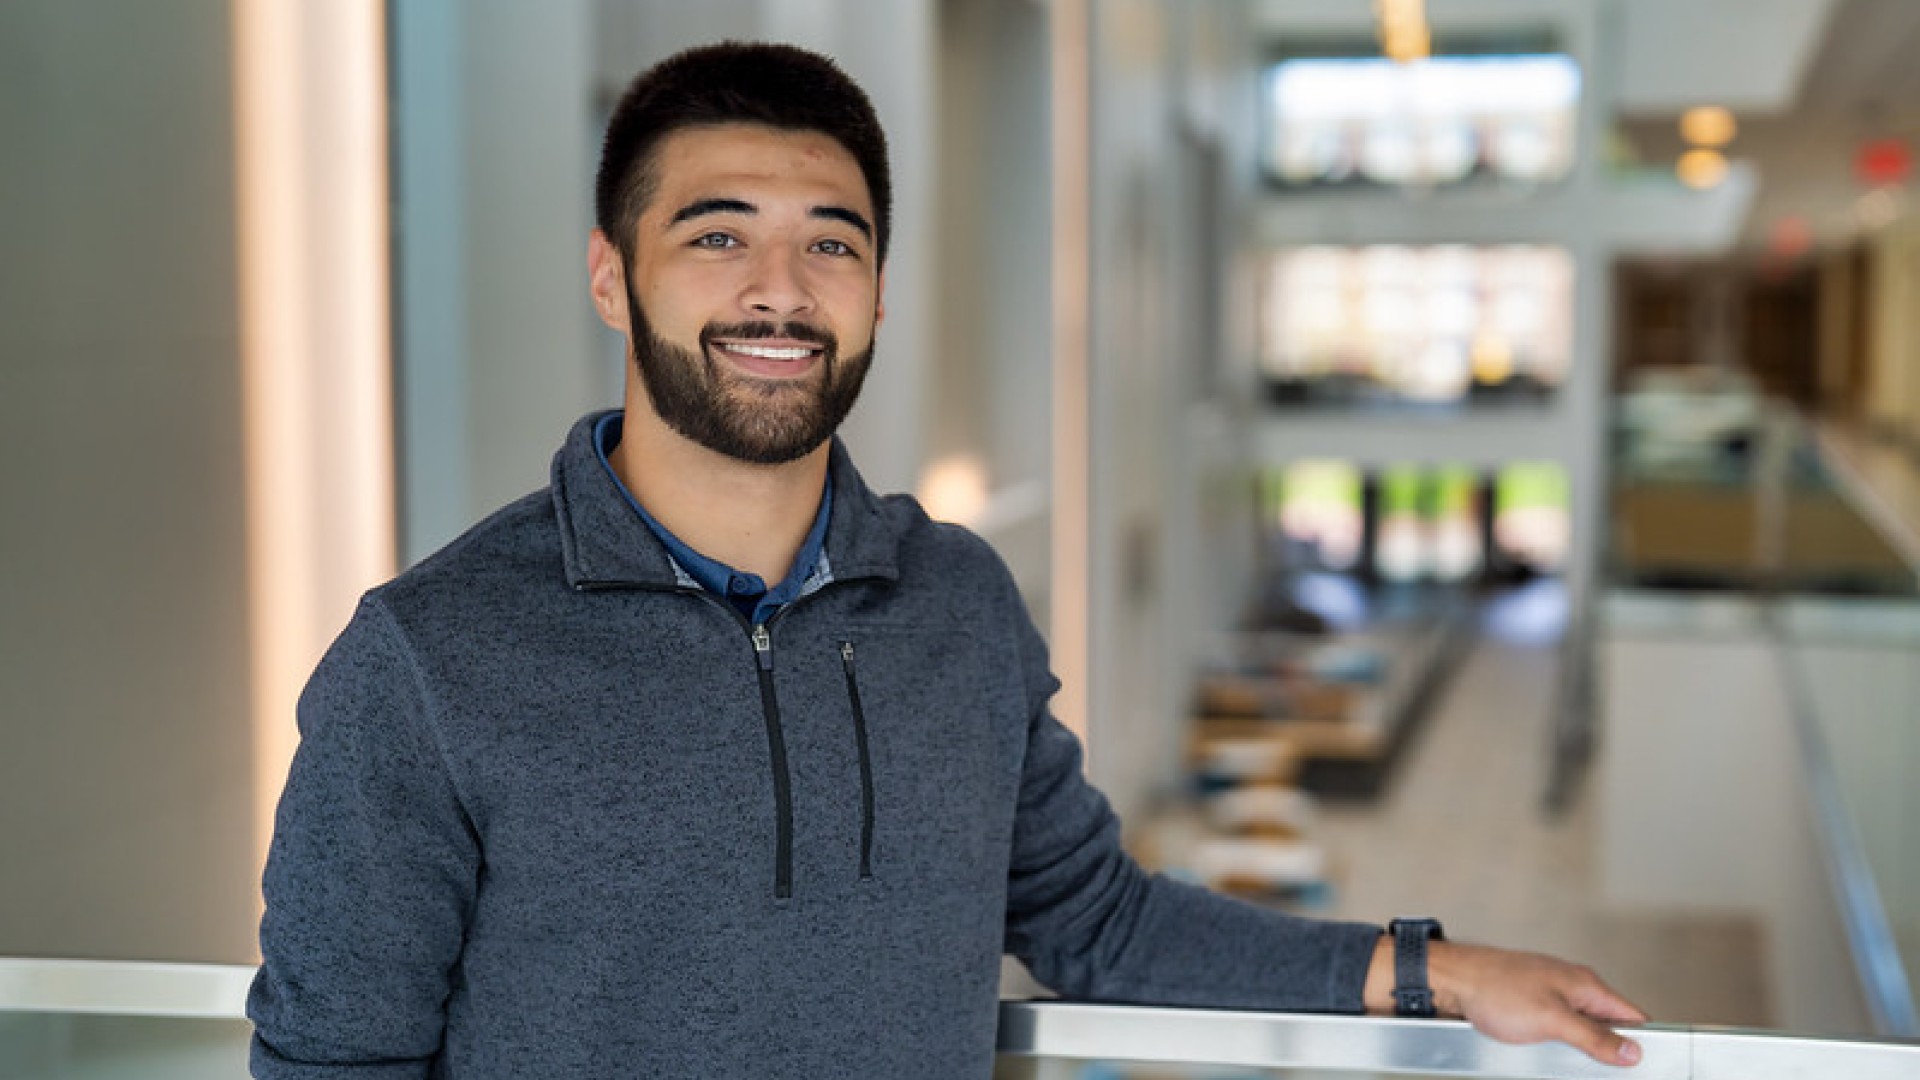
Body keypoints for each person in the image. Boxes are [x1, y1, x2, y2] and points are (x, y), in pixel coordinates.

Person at [247, 40, 1647, 1079]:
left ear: (876, 294)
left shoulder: (959, 601)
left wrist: (1440, 971)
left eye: (831, 245)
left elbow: (1097, 923)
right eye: (717, 236)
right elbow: (335, 1061)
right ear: (613, 275)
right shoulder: (430, 660)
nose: (780, 291)